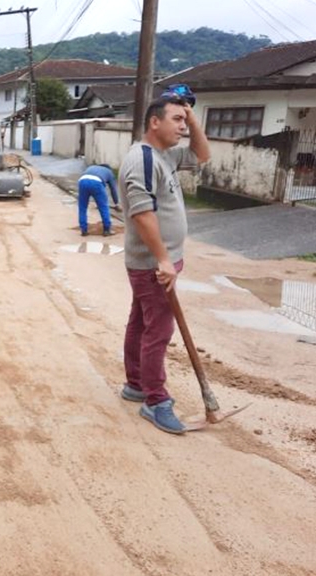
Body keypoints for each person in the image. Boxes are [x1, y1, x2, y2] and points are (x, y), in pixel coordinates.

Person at [118, 91, 210, 435]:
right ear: (154, 122)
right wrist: (163, 260)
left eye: (184, 121)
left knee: (141, 321)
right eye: (176, 119)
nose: (183, 127)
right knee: (159, 330)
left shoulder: (165, 156)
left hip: (159, 263)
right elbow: (142, 213)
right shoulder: (142, 159)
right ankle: (155, 400)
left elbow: (202, 154)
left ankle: (136, 383)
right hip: (153, 265)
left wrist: (192, 116)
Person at [77, 164, 119, 236]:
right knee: (103, 206)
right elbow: (113, 189)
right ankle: (106, 230)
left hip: (82, 181)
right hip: (97, 182)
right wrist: (116, 203)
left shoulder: (91, 167)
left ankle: (83, 230)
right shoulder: (109, 172)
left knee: (82, 207)